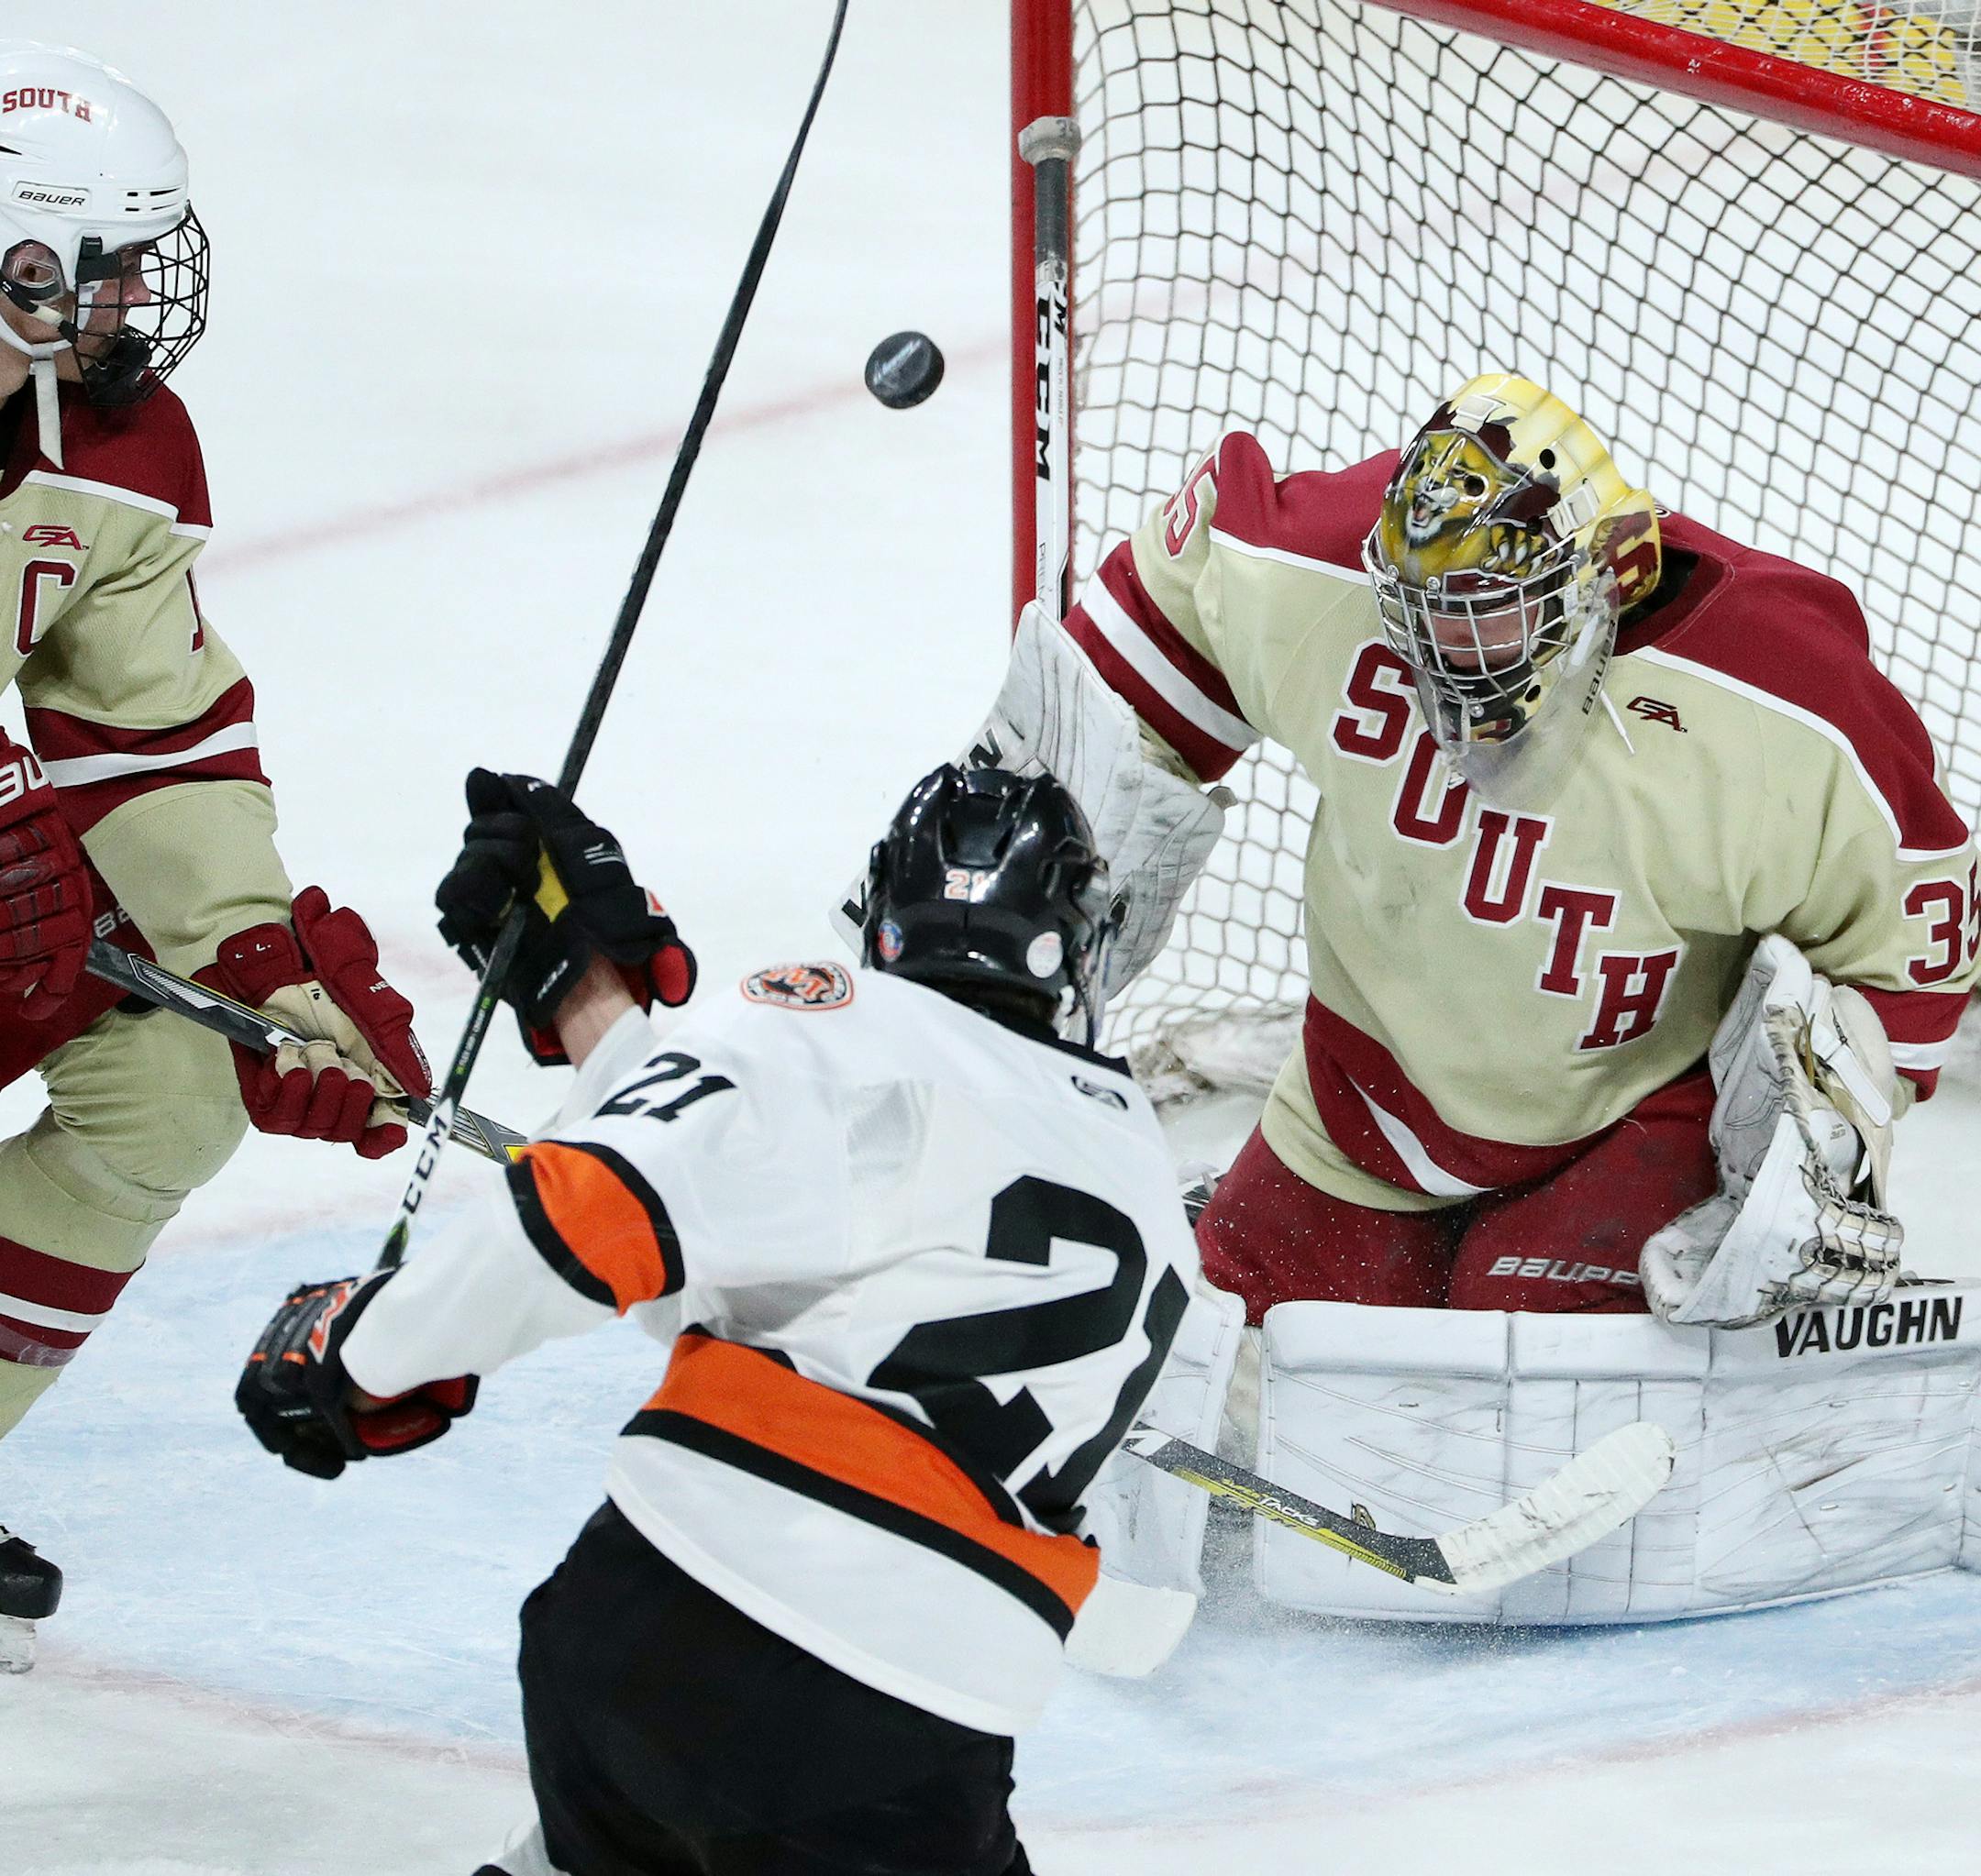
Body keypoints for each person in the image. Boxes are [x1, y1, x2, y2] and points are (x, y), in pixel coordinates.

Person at [235, 765, 1195, 1876]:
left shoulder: (834, 1016)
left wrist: (363, 1353)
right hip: (915, 1721)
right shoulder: (1136, 1163)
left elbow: (604, 1218)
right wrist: (596, 1013)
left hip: (658, 1625)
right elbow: (763, 1243)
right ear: (1074, 946)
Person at [903, 372, 1978, 1333]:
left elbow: (1912, 946)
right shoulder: (1318, 571)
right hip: (1360, 1111)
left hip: (1636, 1118)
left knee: (1511, 1361)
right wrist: (1028, 850)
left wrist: (1815, 1153)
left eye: (1489, 618)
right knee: (1217, 1362)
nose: (1438, 662)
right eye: (1414, 615)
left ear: (1612, 575)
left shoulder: (1785, 708)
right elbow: (1150, 637)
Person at [0, 42, 428, 1669]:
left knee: (169, 1088)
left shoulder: (104, 441)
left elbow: (151, 735)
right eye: (107, 269)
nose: (140, 302)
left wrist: (259, 970)